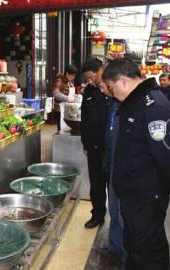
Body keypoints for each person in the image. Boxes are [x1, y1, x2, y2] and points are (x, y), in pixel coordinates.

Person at [104, 57, 170, 270]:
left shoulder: (154, 106)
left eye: (113, 88)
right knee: (135, 247)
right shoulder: (134, 102)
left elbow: (165, 158)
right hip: (133, 197)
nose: (113, 94)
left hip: (147, 198)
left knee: (150, 251)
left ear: (123, 80)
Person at [99, 78, 126, 265]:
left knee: (124, 214)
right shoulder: (112, 104)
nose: (103, 89)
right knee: (114, 210)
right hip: (112, 165)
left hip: (125, 169)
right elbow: (109, 137)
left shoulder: (128, 105)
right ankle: (115, 247)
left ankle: (126, 254)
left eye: (104, 85)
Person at [81, 58, 110, 229]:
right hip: (93, 148)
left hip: (110, 148)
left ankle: (117, 219)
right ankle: (97, 215)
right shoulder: (89, 91)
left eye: (92, 77)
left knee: (112, 186)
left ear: (101, 70)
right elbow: (85, 118)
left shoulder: (111, 88)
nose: (91, 82)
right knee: (96, 184)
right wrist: (85, 142)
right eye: (88, 79)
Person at [53, 65, 77, 132]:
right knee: (61, 128)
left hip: (66, 109)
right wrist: (67, 98)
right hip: (60, 109)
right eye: (72, 75)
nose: (74, 78)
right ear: (67, 74)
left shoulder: (69, 82)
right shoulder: (59, 81)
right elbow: (56, 93)